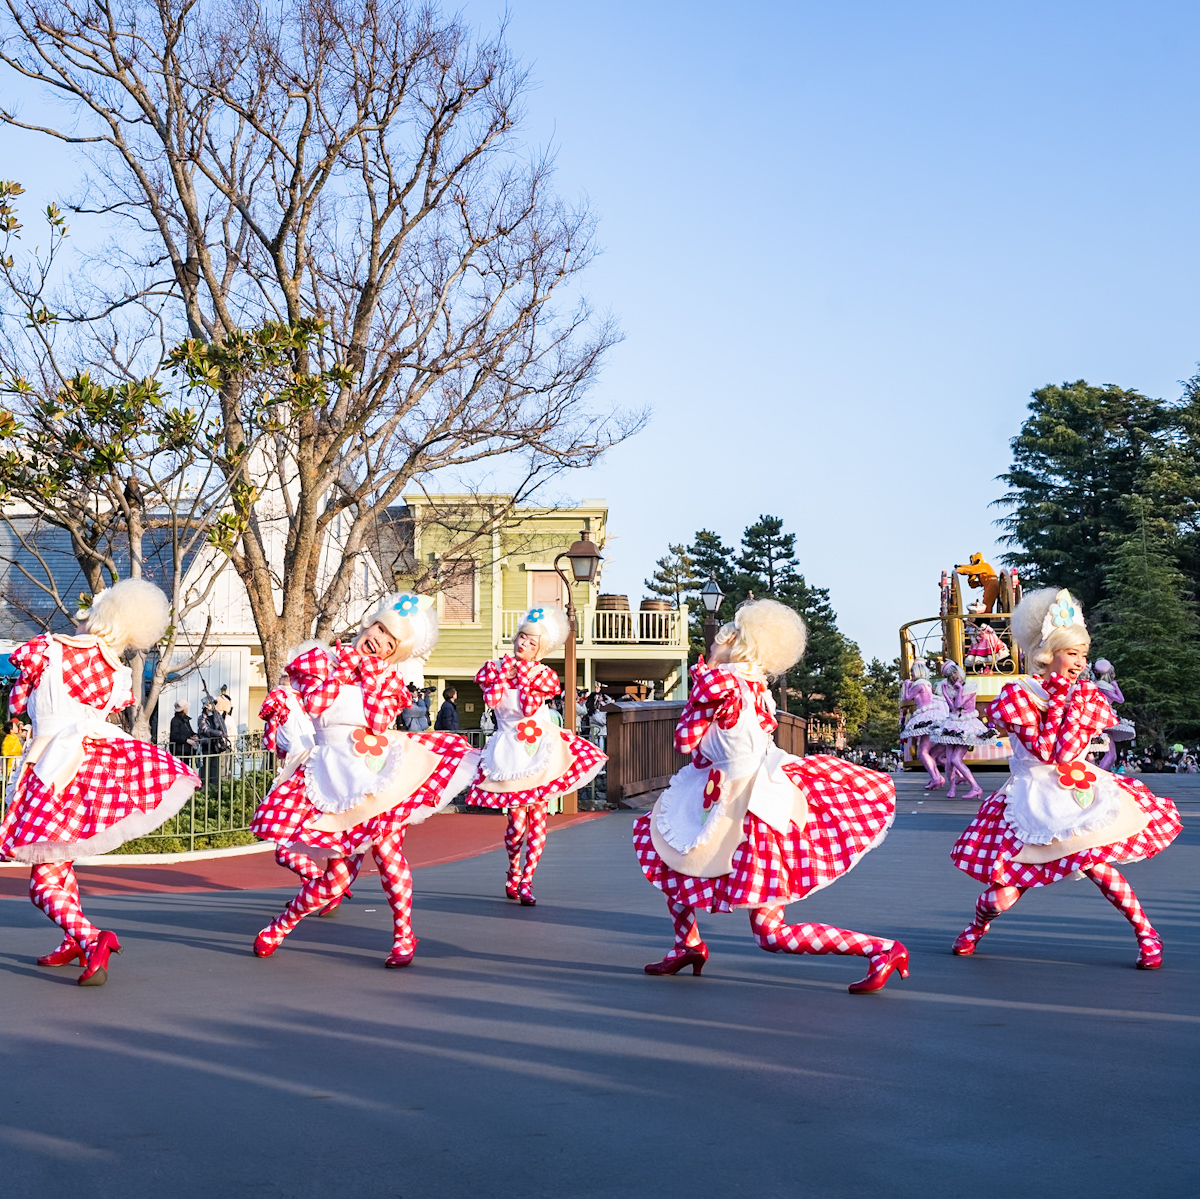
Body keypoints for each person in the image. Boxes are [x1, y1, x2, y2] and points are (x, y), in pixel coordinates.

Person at [633, 599, 907, 994]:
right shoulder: (754, 685)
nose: (709, 651)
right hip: (748, 785)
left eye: (716, 645)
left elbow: (684, 741)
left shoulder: (721, 683)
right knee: (675, 864)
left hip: (745, 802)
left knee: (769, 932)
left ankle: (882, 949)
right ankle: (688, 944)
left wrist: (699, 689)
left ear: (734, 647)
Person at [950, 588, 1182, 969]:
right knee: (1002, 896)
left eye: (1083, 655)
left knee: (1097, 864)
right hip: (1031, 800)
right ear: (1048, 653)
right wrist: (1061, 698)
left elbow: (1069, 751)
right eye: (1072, 653)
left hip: (1076, 792)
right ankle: (977, 926)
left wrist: (1070, 699)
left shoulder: (1087, 696)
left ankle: (1146, 934)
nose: (1079, 663)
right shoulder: (1017, 694)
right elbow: (1045, 752)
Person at [250, 593, 479, 966]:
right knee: (337, 880)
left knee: (389, 853)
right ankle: (281, 923)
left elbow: (378, 723)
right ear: (368, 623)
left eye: (390, 642)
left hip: (376, 770)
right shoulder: (320, 662)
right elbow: (314, 704)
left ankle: (404, 935)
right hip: (331, 775)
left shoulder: (388, 683)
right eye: (380, 629)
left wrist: (369, 676)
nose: (379, 641)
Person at [0, 580, 201, 985]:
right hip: (93, 767)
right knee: (61, 863)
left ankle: (93, 938)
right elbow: (106, 713)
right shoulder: (116, 673)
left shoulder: (46, 649)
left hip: (52, 767)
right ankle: (71, 942)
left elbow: (17, 706)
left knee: (42, 885)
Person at [461, 605, 607, 905]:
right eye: (521, 638)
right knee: (515, 821)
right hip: (509, 748)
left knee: (538, 818)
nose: (522, 645)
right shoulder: (495, 669)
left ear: (541, 648)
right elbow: (491, 699)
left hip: (538, 746)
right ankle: (513, 871)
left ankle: (527, 880)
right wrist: (506, 675)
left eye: (531, 642)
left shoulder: (543, 674)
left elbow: (529, 708)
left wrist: (523, 675)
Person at [931, 661, 987, 799]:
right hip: (952, 724)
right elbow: (952, 707)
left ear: (960, 672)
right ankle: (952, 787)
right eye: (950, 675)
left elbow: (958, 704)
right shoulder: (951, 689)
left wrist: (959, 690)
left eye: (955, 673)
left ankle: (975, 787)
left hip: (967, 725)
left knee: (956, 759)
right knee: (949, 761)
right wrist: (945, 692)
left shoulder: (970, 687)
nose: (954, 676)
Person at [900, 661, 948, 789]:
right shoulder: (926, 684)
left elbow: (906, 698)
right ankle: (937, 777)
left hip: (925, 715)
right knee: (926, 751)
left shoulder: (919, 684)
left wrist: (906, 684)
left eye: (912, 672)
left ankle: (936, 778)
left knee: (923, 752)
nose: (911, 674)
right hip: (930, 714)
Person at [1091, 658, 1135, 771]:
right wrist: (1116, 686)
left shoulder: (1102, 685)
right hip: (1103, 718)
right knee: (1110, 755)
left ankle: (1099, 775)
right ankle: (1097, 776)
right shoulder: (1102, 686)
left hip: (1106, 717)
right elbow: (1120, 699)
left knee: (1113, 755)